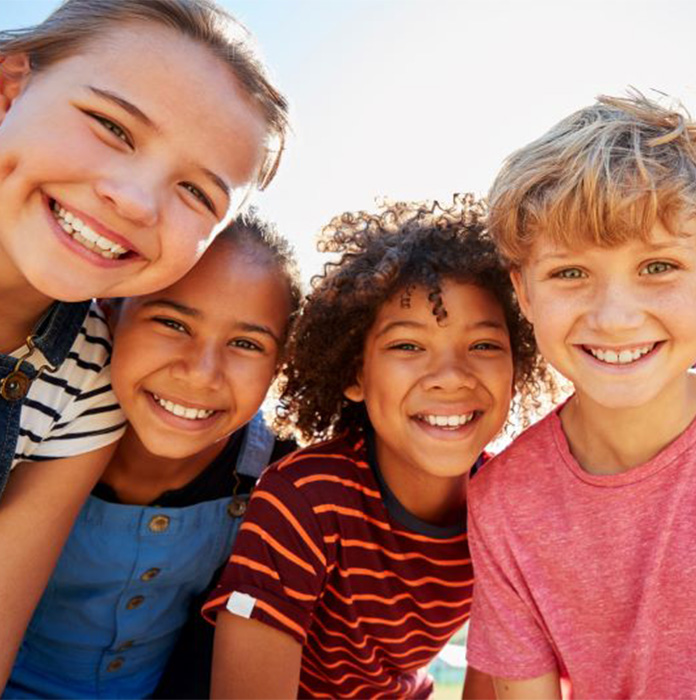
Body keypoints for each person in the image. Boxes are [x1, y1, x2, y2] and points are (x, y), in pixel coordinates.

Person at [0, 0, 288, 688]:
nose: (134, 200)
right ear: (11, 87)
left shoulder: (86, 384)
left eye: (196, 191)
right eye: (111, 126)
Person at [204, 196, 553, 699]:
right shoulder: (306, 498)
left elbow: (497, 678)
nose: (451, 377)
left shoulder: (509, 508)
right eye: (408, 346)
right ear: (355, 374)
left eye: (483, 346)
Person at [4, 212, 301, 699]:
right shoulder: (35, 421)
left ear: (280, 365)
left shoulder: (279, 477)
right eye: (172, 322)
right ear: (109, 312)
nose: (202, 374)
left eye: (246, 343)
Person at [465, 92, 696, 699]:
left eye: (659, 267)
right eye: (570, 273)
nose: (616, 318)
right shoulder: (504, 503)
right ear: (523, 291)